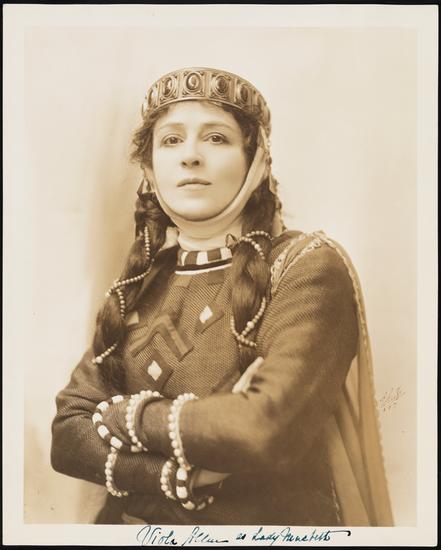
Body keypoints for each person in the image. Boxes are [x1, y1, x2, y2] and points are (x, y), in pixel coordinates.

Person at [51, 67, 394, 526]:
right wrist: (181, 477)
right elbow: (67, 436)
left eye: (216, 138)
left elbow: (258, 428)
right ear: (149, 170)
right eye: (171, 140)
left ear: (257, 162)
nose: (191, 156)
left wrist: (122, 416)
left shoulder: (305, 267)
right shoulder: (139, 283)